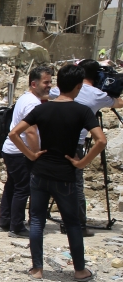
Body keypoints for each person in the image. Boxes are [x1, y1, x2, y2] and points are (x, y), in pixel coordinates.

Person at [8, 64, 105, 282]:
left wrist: (31, 154)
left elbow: (14, 133)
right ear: (79, 86)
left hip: (40, 172)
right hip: (65, 174)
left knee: (36, 221)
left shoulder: (42, 108)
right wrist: (82, 163)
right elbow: (101, 141)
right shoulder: (82, 111)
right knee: (72, 223)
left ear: (58, 85)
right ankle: (80, 270)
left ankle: (37, 269)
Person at [49, 59, 123, 235]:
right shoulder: (98, 95)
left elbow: (47, 94)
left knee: (49, 180)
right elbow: (119, 102)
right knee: (76, 184)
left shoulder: (61, 90)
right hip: (76, 144)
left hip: (53, 142)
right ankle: (78, 224)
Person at [0, 66, 51, 236]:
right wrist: (36, 154)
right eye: (46, 82)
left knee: (13, 186)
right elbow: (30, 131)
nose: (49, 86)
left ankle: (6, 221)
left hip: (13, 150)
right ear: (34, 84)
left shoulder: (27, 98)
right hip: (20, 152)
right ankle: (17, 226)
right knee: (23, 188)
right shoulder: (32, 103)